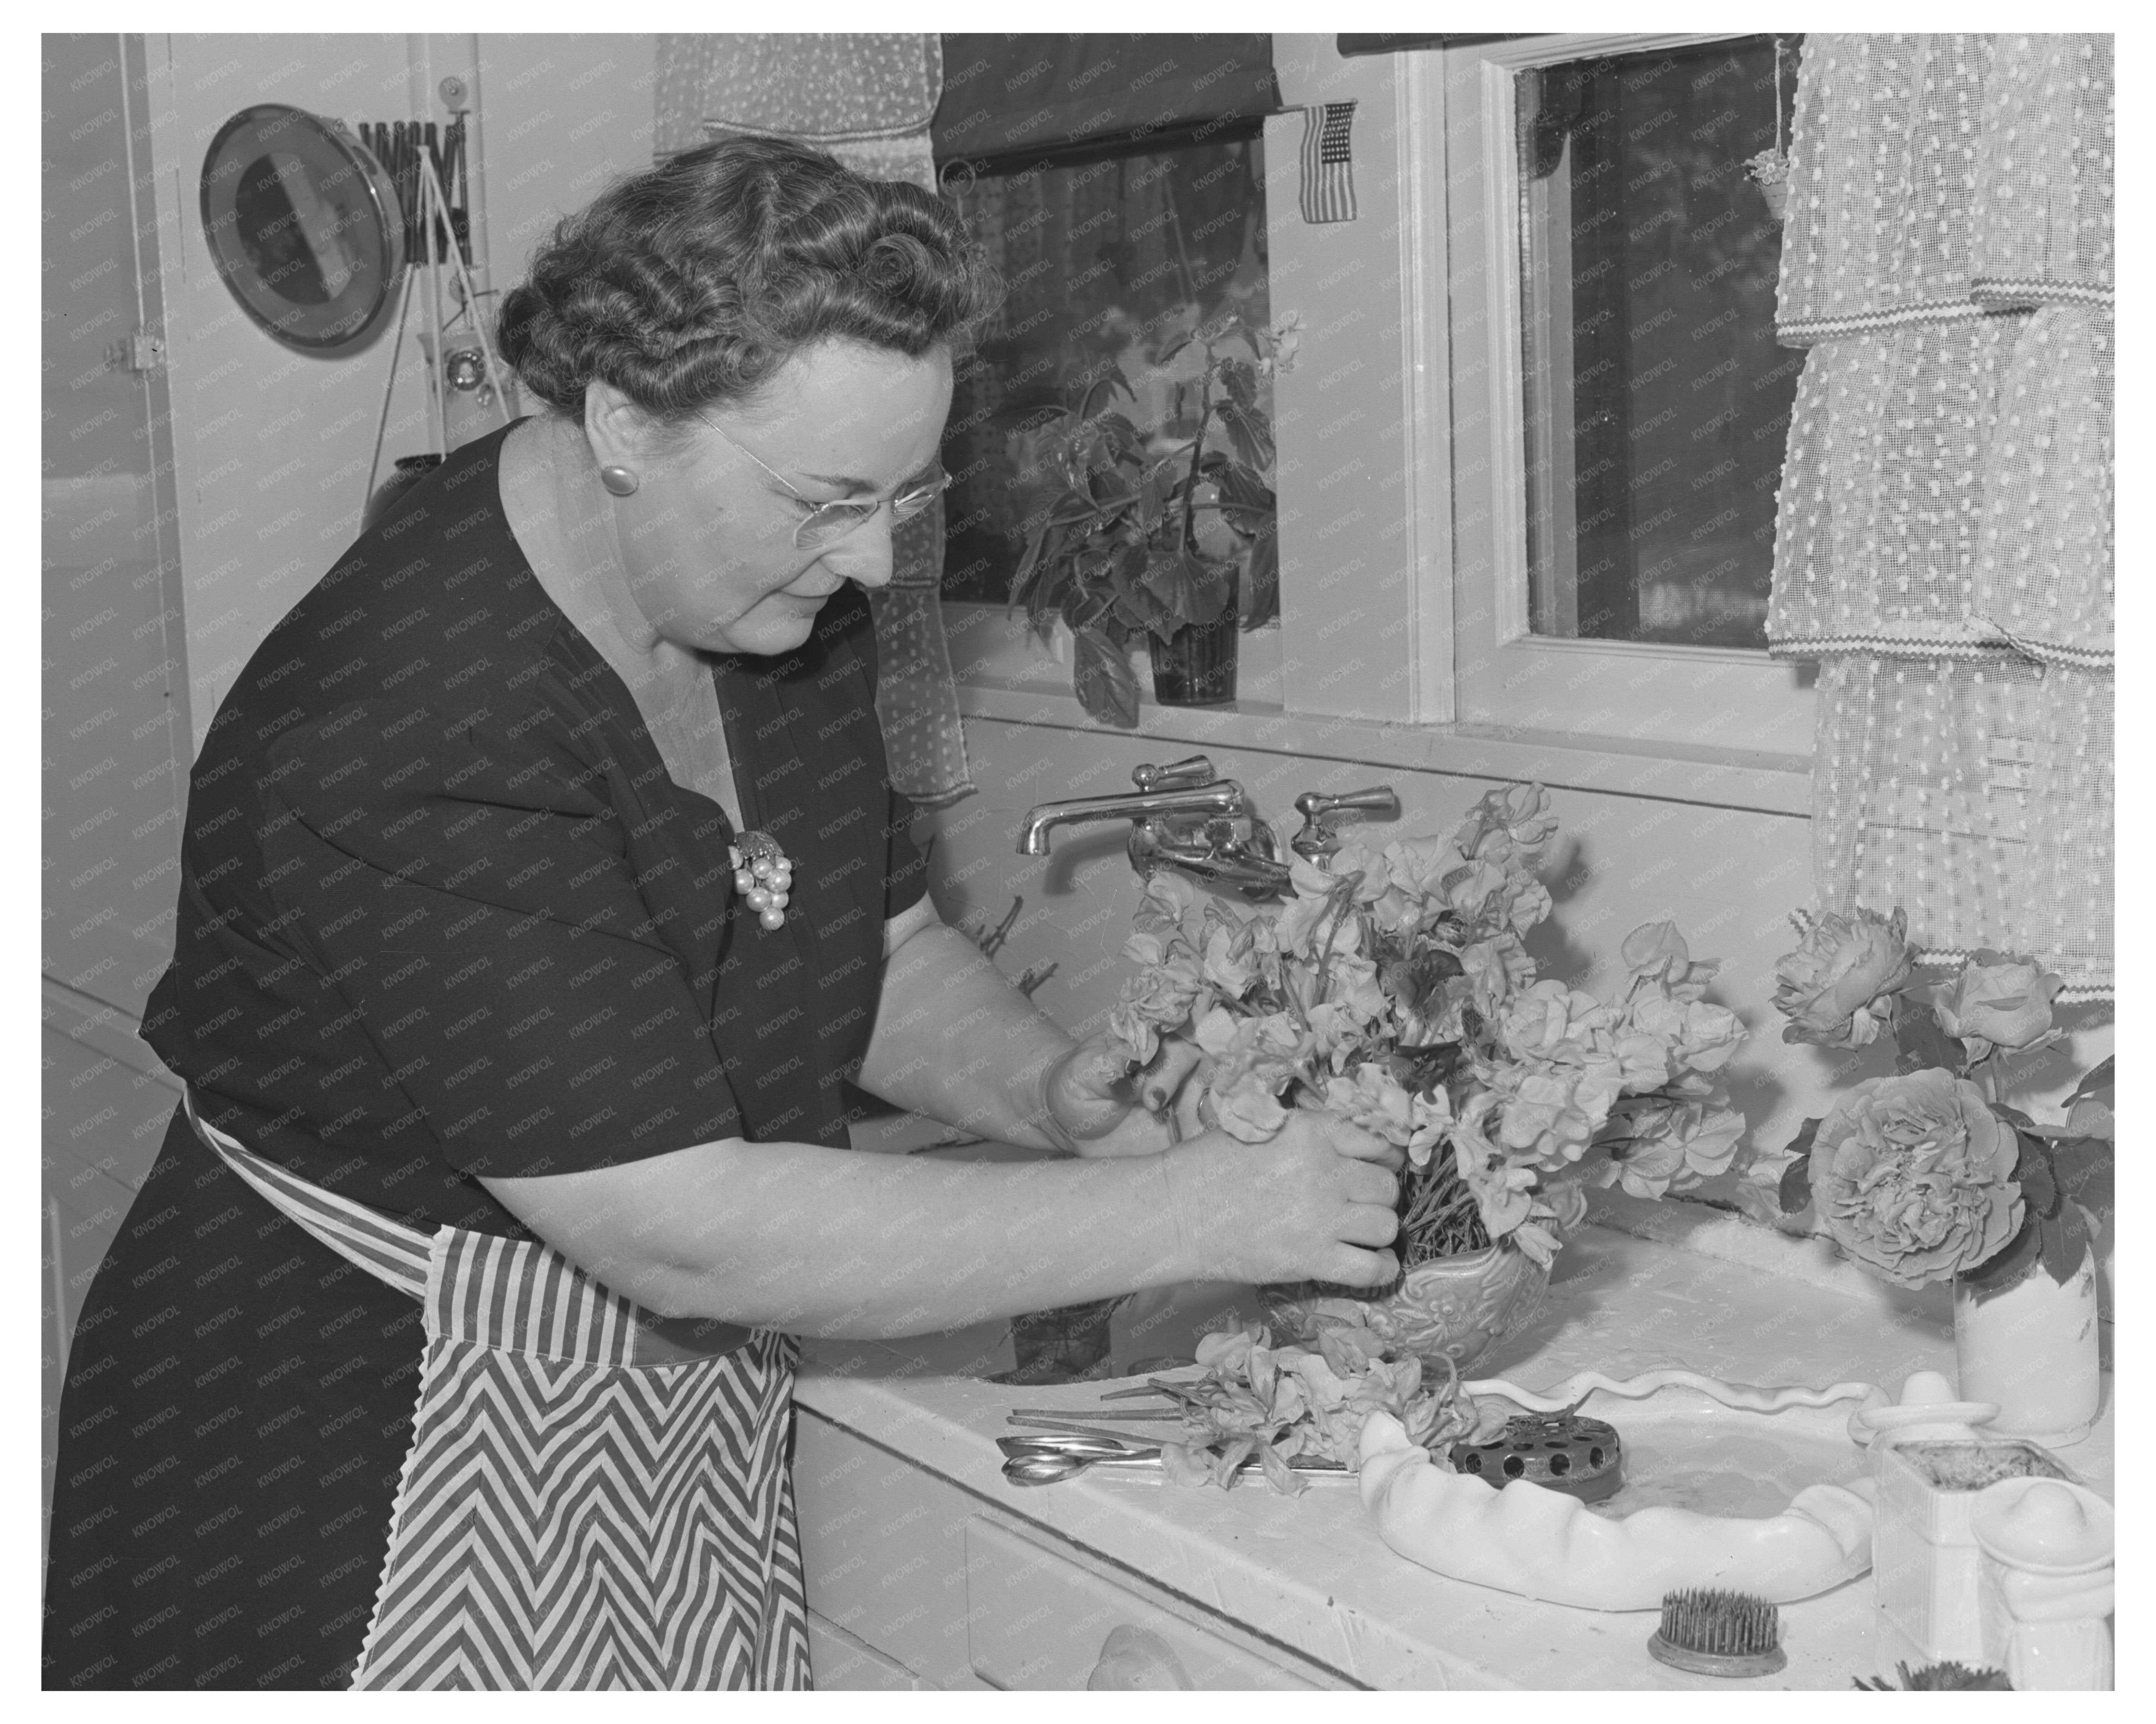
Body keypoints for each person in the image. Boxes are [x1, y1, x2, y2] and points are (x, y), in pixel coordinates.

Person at [43, 136, 1399, 1692]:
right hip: (337, 1445)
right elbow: (679, 1223)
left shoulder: (773, 604)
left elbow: (871, 947)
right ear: (625, 420)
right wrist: (1210, 1207)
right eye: (830, 499)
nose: (877, 557)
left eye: (906, 494)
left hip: (640, 1402)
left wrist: (1043, 1093)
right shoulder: (408, 714)